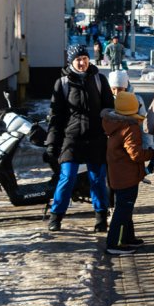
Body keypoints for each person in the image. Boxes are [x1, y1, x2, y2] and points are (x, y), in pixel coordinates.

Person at [44, 45, 114, 233]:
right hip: (72, 138)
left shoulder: (99, 80)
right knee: (67, 177)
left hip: (96, 138)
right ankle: (56, 216)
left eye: (85, 58)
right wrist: (51, 142)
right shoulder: (63, 83)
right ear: (71, 61)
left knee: (97, 179)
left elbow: (110, 109)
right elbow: (56, 116)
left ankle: (101, 217)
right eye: (78, 59)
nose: (82, 62)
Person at [102, 91, 154, 255]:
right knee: (123, 210)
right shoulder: (129, 127)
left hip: (118, 174)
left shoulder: (114, 123)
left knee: (125, 208)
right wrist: (152, 154)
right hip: (127, 175)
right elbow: (136, 154)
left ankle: (128, 238)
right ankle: (115, 243)